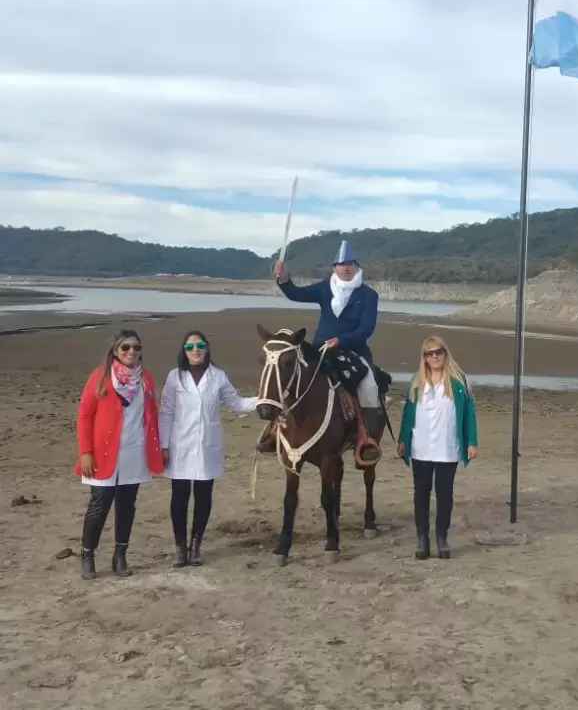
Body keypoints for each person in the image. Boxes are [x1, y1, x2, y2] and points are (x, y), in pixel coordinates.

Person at [262, 240, 382, 462]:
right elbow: (296, 294)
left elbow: (367, 328)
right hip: (321, 348)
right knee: (291, 375)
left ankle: (366, 438)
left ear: (356, 266)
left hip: (354, 350)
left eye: (349, 264)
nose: (345, 268)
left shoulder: (368, 295)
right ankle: (272, 430)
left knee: (369, 385)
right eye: (340, 264)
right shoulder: (325, 287)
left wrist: (342, 340)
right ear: (334, 267)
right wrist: (284, 279)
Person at [159, 330, 259, 567]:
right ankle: (180, 547)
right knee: (180, 497)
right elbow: (165, 412)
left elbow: (236, 404)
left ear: (207, 349)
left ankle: (196, 545)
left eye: (200, 345)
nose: (196, 350)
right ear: (184, 351)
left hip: (207, 445)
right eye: (191, 347)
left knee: (203, 496)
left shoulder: (218, 376)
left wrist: (263, 398)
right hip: (179, 444)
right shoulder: (175, 377)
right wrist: (163, 445)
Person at [74, 328, 163, 580]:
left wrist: (158, 448)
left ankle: (120, 555)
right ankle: (87, 554)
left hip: (134, 453)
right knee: (99, 503)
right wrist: (85, 452)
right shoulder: (100, 377)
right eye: (125, 347)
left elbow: (151, 415)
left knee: (127, 505)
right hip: (102, 453)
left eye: (136, 347)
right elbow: (84, 416)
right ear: (115, 350)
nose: (131, 352)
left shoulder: (146, 378)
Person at [397, 335, 478, 560]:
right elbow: (407, 415)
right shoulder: (416, 381)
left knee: (445, 494)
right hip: (421, 446)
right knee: (421, 493)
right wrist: (403, 440)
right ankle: (422, 538)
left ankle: (442, 537)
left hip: (447, 447)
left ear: (445, 353)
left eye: (438, 352)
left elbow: (469, 413)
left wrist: (472, 441)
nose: (434, 357)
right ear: (423, 358)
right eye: (429, 353)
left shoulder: (459, 381)